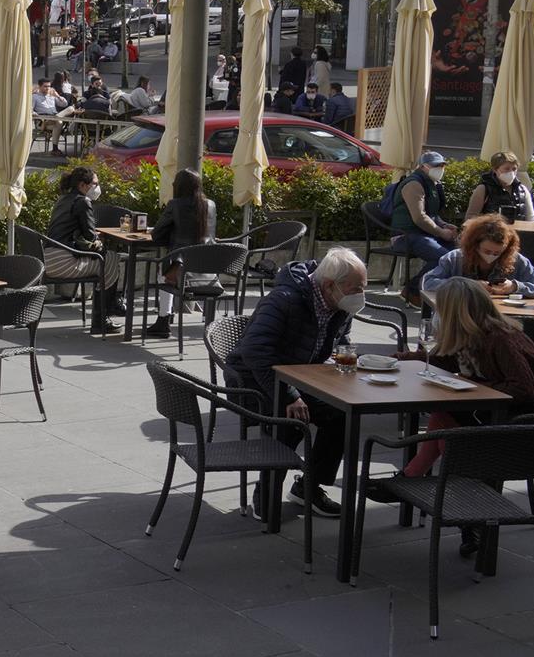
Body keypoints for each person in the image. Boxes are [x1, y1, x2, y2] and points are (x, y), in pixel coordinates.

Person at [402, 281, 534, 557]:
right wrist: (404, 359)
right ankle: (430, 489)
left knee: (452, 433)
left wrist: (476, 391)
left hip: (530, 426)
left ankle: (427, 490)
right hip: (497, 417)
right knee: (444, 418)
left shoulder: (501, 338)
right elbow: (444, 361)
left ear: (456, 313)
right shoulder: (472, 335)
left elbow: (526, 389)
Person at [225, 248, 371, 518]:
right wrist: (291, 395)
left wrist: (346, 363)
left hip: (299, 376)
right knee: (293, 417)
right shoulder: (284, 299)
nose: (360, 295)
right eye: (356, 288)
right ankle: (266, 492)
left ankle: (308, 487)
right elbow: (255, 352)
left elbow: (340, 343)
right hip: (252, 381)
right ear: (330, 285)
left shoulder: (339, 303)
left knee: (342, 415)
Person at [44, 164, 123, 332]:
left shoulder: (63, 199)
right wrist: (97, 239)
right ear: (82, 185)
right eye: (95, 184)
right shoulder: (83, 201)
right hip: (63, 262)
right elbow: (89, 236)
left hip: (48, 258)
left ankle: (110, 308)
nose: (97, 188)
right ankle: (103, 317)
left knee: (107, 258)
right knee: (110, 260)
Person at [145, 167, 216, 337]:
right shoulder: (211, 205)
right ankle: (212, 324)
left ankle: (163, 320)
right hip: (208, 269)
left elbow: (157, 234)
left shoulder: (175, 204)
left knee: (163, 275)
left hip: (182, 270)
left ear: (179, 186)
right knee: (169, 270)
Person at [388, 151, 457, 307]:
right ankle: (412, 291)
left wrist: (445, 225)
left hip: (424, 235)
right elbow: (419, 217)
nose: (440, 169)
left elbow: (432, 215)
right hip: (405, 236)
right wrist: (441, 232)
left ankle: (444, 294)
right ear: (423, 166)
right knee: (443, 257)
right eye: (436, 166)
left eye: (442, 165)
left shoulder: (433, 184)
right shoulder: (414, 184)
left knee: (457, 256)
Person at [421, 214, 534, 300]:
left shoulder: (517, 260)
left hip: (503, 319)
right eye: (487, 251)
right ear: (474, 246)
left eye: (497, 253)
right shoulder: (454, 259)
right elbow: (429, 282)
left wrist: (515, 287)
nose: (491, 256)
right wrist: (468, 286)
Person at [463, 151, 534, 222]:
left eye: (514, 169)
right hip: (491, 234)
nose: (511, 172)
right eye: (507, 169)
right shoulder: (483, 189)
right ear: (495, 170)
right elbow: (470, 218)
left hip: (518, 234)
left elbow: (531, 218)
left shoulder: (522, 190)